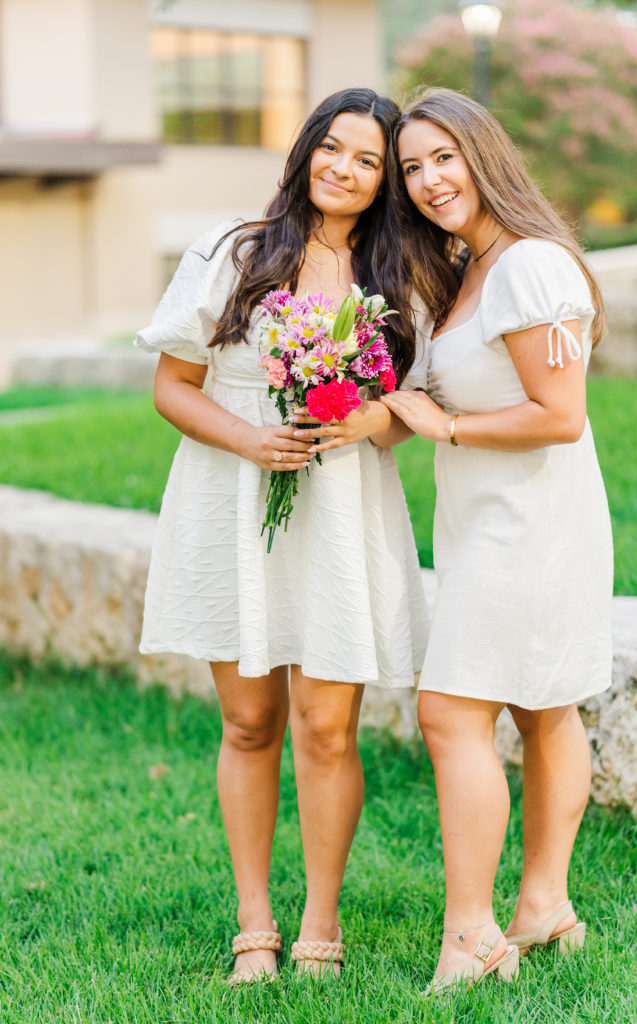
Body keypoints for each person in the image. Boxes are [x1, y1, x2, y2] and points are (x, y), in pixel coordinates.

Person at [134, 88, 433, 984]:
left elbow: (417, 410)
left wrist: (372, 421)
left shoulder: (400, 274)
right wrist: (252, 439)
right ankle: (254, 926)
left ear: (385, 181)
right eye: (330, 149)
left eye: (367, 160)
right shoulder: (234, 251)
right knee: (251, 720)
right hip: (233, 496)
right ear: (305, 151)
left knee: (327, 727)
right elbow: (172, 386)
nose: (343, 169)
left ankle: (319, 926)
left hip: (342, 506)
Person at [382, 88, 613, 994]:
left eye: (445, 156)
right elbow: (451, 398)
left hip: (531, 525)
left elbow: (558, 417)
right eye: (412, 167)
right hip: (485, 521)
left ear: (485, 155)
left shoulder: (529, 265)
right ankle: (544, 908)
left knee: (452, 713)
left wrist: (441, 430)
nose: (430, 180)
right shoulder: (463, 270)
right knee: (543, 707)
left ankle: (474, 934)